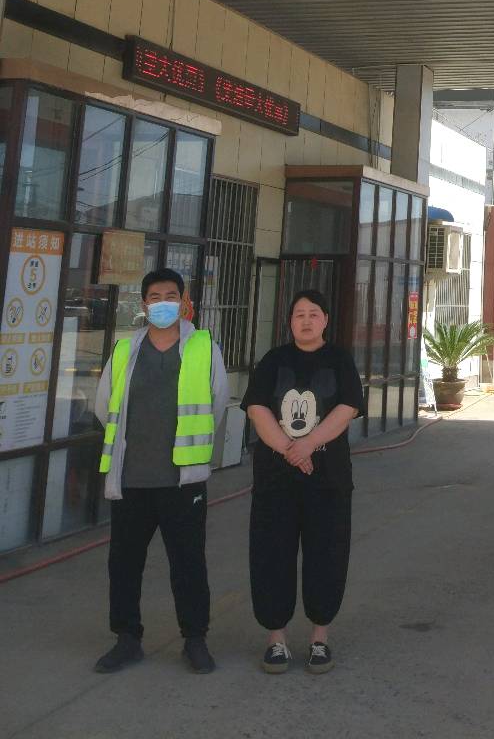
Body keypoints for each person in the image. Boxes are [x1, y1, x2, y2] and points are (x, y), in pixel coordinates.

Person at [93, 267, 228, 675]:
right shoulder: (124, 350)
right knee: (124, 564)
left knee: (188, 564)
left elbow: (217, 403)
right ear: (144, 304)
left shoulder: (204, 347)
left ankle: (195, 639)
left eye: (171, 296)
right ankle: (127, 639)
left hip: (182, 481)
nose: (163, 303)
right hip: (131, 479)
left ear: (184, 302)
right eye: (155, 297)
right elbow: (104, 405)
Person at [242, 289, 364, 676]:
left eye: (314, 313)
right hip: (275, 481)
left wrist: (308, 444)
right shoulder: (273, 360)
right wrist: (289, 449)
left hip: (327, 481)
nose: (306, 320)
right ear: (290, 321)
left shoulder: (340, 360)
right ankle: (275, 639)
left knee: (326, 555)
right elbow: (257, 408)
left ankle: (319, 638)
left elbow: (347, 408)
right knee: (271, 555)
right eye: (299, 314)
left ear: (325, 320)